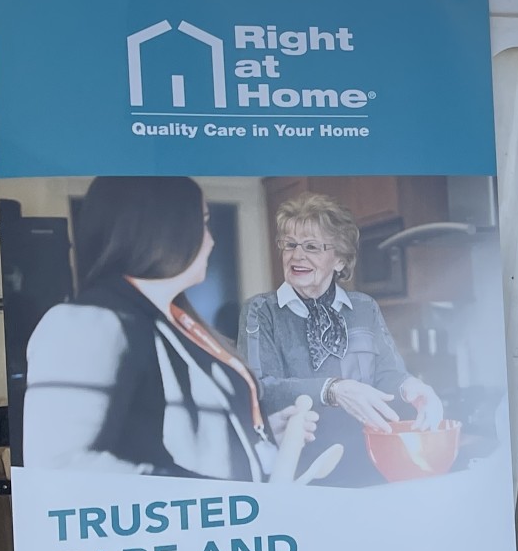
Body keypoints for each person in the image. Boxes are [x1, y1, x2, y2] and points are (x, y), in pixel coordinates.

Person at [22, 177, 325, 481]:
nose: (211, 241)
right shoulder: (87, 322)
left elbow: (166, 434)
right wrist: (209, 494)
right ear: (163, 228)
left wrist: (254, 434)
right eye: (203, 223)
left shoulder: (173, 321)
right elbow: (60, 466)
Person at [240, 193, 443, 486]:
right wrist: (334, 389)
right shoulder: (261, 311)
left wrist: (413, 388)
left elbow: (389, 374)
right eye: (290, 244)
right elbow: (260, 387)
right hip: (302, 473)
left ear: (340, 260)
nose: (297, 255)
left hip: (371, 466)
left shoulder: (364, 308)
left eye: (311, 246)